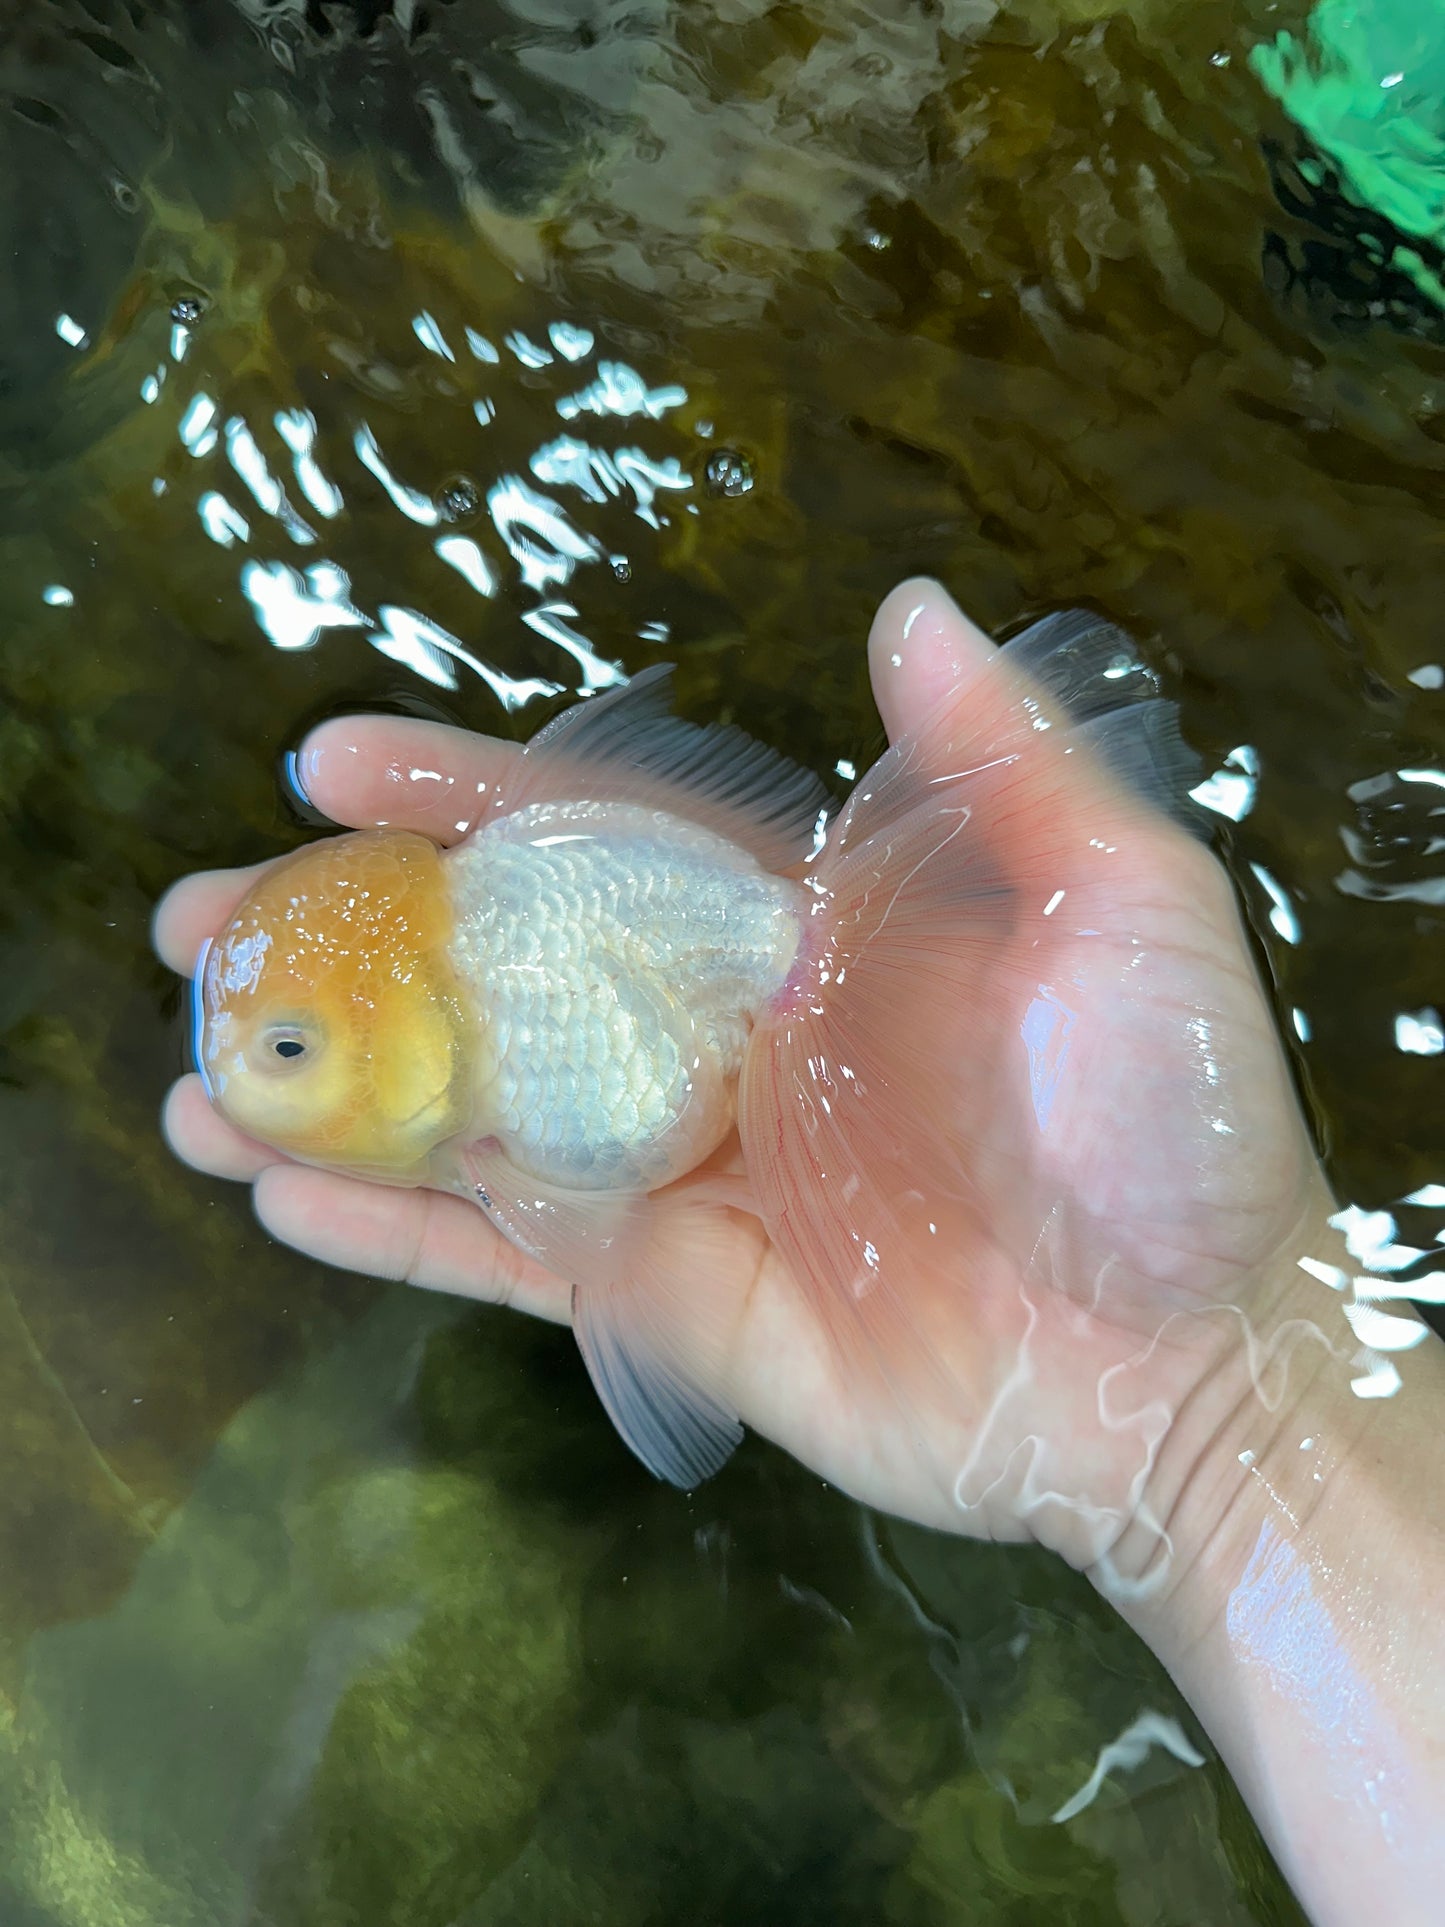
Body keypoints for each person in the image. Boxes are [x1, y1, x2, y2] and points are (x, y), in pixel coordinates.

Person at [154, 579, 1445, 1927]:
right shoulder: (481, 993)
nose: (256, 1074)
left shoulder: (538, 994)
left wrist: (1208, 1431)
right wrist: (1219, 1430)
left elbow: (594, 1233)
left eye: (290, 1050)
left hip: (727, 959)